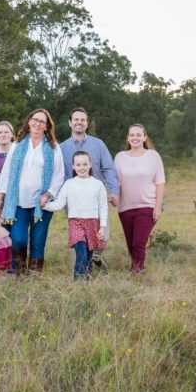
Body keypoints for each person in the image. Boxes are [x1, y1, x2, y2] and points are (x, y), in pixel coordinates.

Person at [0, 107, 65, 274]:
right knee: (18, 239)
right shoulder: (17, 145)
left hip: (42, 203)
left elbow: (59, 175)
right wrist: (0, 200)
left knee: (38, 241)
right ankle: (18, 270)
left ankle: (33, 276)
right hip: (18, 201)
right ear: (29, 122)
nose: (37, 123)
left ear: (47, 126)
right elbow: (6, 173)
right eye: (35, 119)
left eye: (42, 121)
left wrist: (48, 194)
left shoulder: (54, 148)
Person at [58, 106, 120, 271]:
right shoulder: (61, 148)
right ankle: (80, 269)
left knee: (103, 235)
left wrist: (114, 191)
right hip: (73, 200)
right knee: (80, 237)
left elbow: (108, 168)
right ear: (70, 123)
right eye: (76, 119)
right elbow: (58, 174)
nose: (79, 122)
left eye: (82, 120)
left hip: (96, 198)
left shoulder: (98, 144)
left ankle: (97, 259)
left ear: (86, 123)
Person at [45, 150, 108, 280]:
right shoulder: (69, 184)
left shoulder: (98, 184)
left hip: (93, 222)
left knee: (89, 253)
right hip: (75, 222)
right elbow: (59, 204)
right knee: (81, 252)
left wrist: (102, 226)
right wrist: (44, 205)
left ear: (90, 164)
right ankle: (77, 280)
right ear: (73, 166)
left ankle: (87, 276)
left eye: (85, 164)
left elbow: (103, 207)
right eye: (78, 165)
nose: (82, 167)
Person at [114, 124, 166, 274]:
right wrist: (115, 196)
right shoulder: (120, 157)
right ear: (128, 138)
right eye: (132, 135)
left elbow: (160, 182)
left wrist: (157, 207)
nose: (135, 138)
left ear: (144, 137)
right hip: (125, 208)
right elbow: (116, 182)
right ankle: (138, 266)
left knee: (139, 242)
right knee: (131, 244)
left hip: (147, 205)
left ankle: (137, 272)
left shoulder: (153, 156)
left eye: (138, 135)